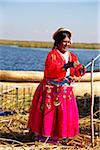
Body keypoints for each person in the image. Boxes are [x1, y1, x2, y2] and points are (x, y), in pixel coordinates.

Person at [27, 27, 86, 144]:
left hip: (65, 91)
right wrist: (68, 66)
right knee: (50, 114)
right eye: (65, 41)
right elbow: (52, 71)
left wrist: (80, 69)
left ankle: (60, 135)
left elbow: (76, 71)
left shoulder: (72, 56)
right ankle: (45, 136)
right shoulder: (52, 55)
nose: (67, 44)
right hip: (51, 91)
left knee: (63, 114)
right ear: (58, 42)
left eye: (69, 41)